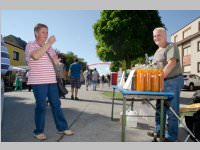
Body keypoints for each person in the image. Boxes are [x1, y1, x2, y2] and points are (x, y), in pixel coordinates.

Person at [25, 23, 74, 141]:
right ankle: (38, 131)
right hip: (38, 81)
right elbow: (36, 56)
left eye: (47, 32)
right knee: (41, 106)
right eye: (43, 32)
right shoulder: (30, 45)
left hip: (52, 80)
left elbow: (56, 63)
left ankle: (62, 127)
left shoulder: (50, 48)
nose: (46, 34)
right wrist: (49, 44)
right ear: (36, 33)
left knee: (56, 105)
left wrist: (57, 59)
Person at [148, 27, 184, 142]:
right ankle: (159, 131)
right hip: (162, 82)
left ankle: (171, 137)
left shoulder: (171, 46)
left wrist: (158, 78)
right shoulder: (157, 51)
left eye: (158, 35)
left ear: (165, 36)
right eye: (154, 36)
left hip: (173, 80)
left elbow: (171, 64)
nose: (156, 38)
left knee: (171, 110)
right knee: (160, 108)